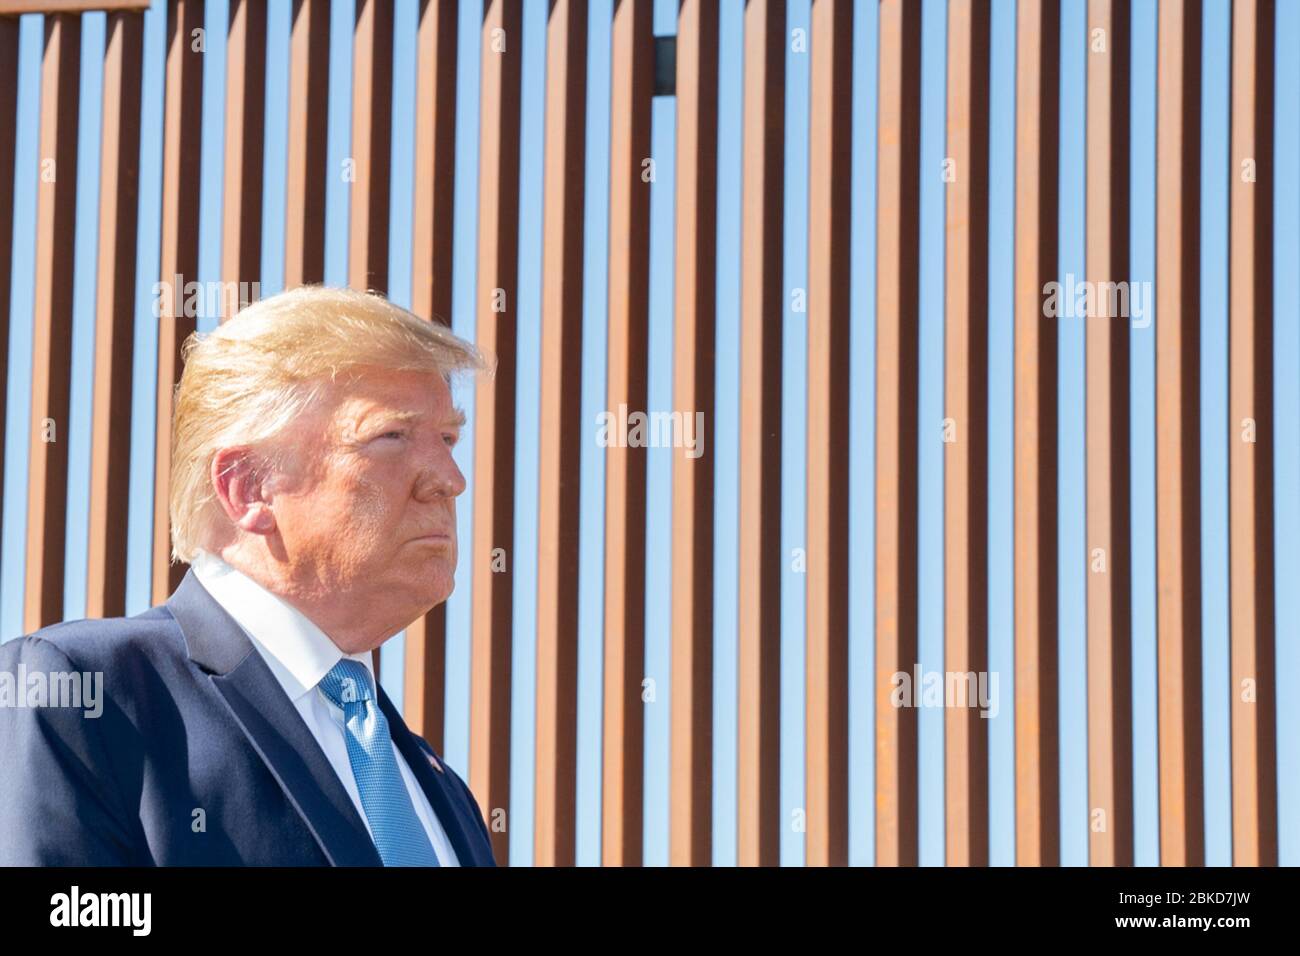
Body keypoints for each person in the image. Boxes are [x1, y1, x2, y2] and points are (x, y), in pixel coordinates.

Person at [0, 285, 496, 866]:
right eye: (391, 436)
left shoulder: (444, 793)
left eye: (448, 438)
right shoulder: (84, 694)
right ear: (249, 486)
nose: (450, 477)